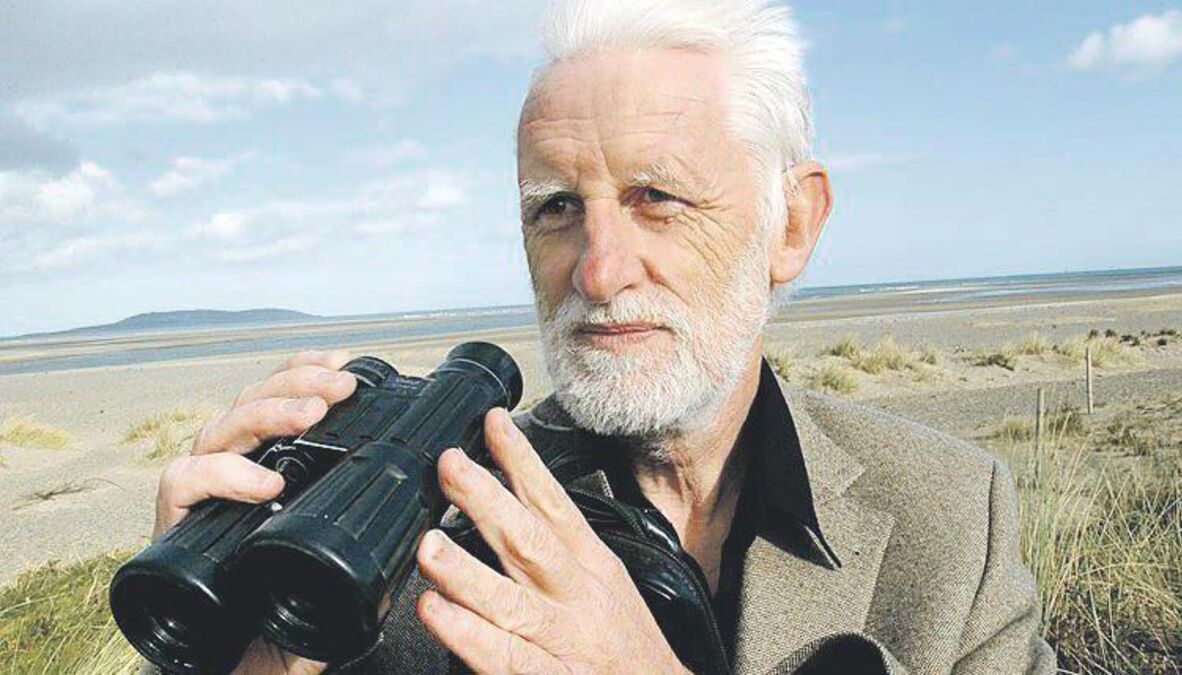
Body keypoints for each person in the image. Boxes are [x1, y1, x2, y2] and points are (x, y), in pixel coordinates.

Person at [147, 0, 1056, 672]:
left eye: (656, 197)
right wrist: (226, 652)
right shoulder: (412, 535)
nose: (598, 269)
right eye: (556, 207)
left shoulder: (951, 518)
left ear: (792, 224)